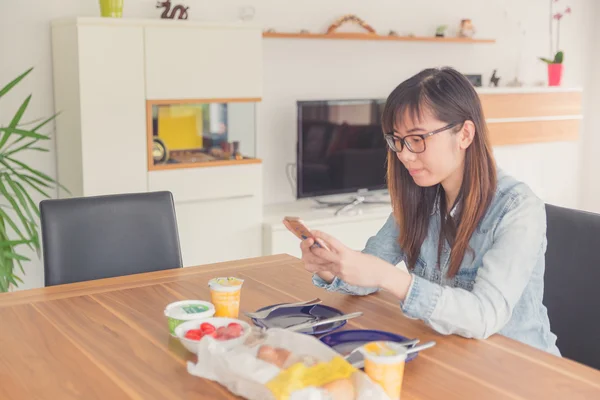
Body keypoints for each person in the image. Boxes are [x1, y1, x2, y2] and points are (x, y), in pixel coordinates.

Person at [301, 67, 560, 356]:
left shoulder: (518, 208)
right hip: (452, 354)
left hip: (523, 368)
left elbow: (485, 315)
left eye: (417, 139)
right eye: (397, 140)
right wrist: (331, 267)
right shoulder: (419, 197)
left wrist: (389, 277)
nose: (404, 155)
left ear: (464, 134)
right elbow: (371, 270)